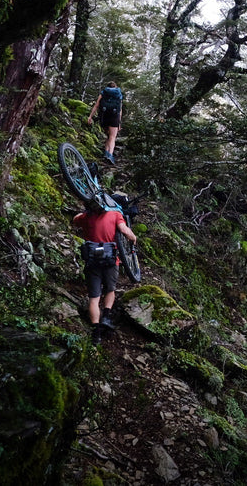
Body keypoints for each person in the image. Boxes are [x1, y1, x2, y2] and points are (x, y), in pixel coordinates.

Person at [72, 197, 138, 344]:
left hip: (92, 261)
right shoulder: (115, 215)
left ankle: (96, 334)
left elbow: (75, 220)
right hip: (110, 260)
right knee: (110, 290)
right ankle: (106, 317)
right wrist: (133, 237)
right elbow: (124, 230)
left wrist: (85, 212)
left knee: (94, 298)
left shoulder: (86, 217)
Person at [87, 81, 123, 164]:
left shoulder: (104, 93)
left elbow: (96, 105)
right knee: (112, 137)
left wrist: (90, 116)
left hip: (104, 116)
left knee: (108, 136)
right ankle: (110, 155)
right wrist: (119, 123)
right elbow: (120, 110)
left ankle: (106, 154)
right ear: (115, 87)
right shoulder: (118, 94)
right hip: (114, 117)